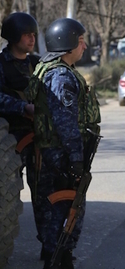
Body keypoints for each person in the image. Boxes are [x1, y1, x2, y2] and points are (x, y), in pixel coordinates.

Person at [25, 18, 101, 269]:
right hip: (59, 154)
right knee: (65, 210)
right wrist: (77, 160)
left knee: (57, 212)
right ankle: (59, 257)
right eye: (80, 41)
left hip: (53, 152)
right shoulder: (60, 75)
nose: (85, 46)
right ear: (67, 44)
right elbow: (65, 122)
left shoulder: (52, 69)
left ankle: (57, 256)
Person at [0, 10, 39, 252]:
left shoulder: (38, 64)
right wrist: (22, 107)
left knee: (45, 194)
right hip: (9, 139)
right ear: (14, 37)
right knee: (8, 196)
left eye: (33, 34)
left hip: (38, 137)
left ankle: (51, 246)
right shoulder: (1, 65)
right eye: (26, 35)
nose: (31, 39)